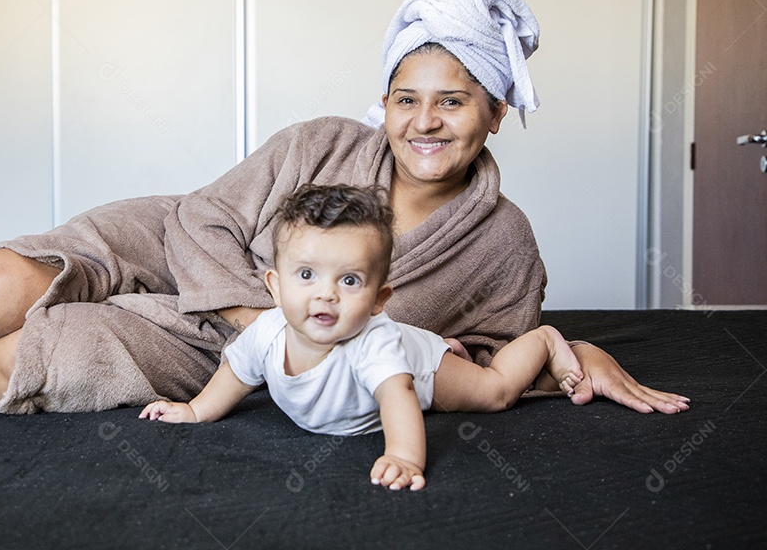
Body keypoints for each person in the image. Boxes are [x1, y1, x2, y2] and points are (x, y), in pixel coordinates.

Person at [0, 0, 688, 416]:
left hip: (222, 357)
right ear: (384, 103)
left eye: (454, 102)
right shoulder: (322, 142)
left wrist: (573, 353)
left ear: (494, 114)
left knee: (36, 359)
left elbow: (473, 364)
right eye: (407, 99)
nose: (425, 122)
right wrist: (257, 322)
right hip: (184, 253)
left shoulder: (504, 242)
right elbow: (206, 216)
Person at [140, 183, 588, 491]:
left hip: (420, 366)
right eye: (307, 274)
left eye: (350, 281)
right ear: (274, 287)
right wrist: (194, 411)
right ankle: (468, 350)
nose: (326, 294)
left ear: (379, 298)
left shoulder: (371, 344)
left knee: (496, 391)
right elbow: (235, 375)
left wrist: (405, 457)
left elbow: (397, 398)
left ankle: (544, 342)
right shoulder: (267, 332)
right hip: (403, 347)